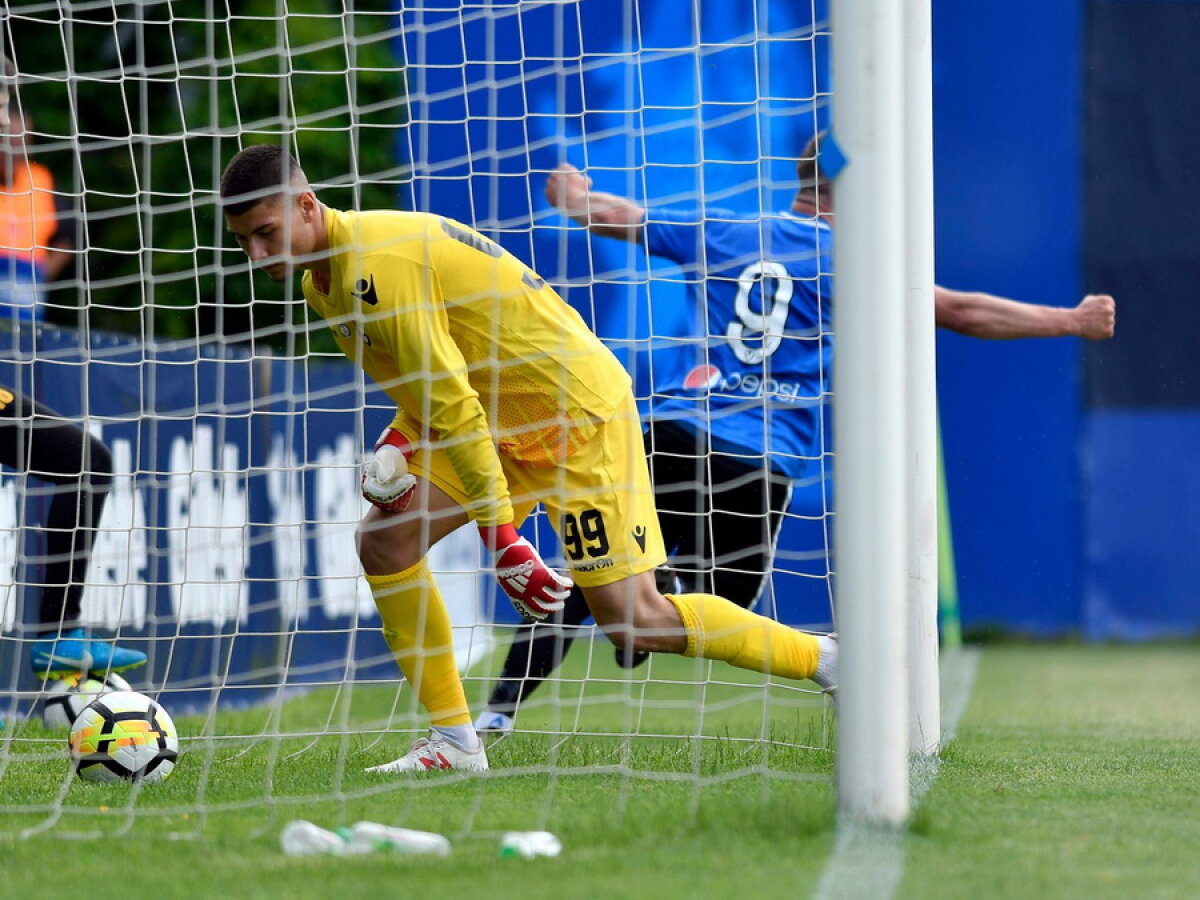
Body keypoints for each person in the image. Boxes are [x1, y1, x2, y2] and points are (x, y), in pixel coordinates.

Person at [219, 144, 839, 773]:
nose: (258, 255)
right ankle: (457, 744)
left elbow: (454, 406)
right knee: (384, 542)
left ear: (305, 205)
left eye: (266, 234)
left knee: (634, 621)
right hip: (504, 423)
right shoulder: (320, 285)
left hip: (576, 417)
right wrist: (396, 445)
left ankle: (826, 660)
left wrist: (505, 542)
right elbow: (430, 395)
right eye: (245, 241)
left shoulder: (380, 264)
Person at [473, 136, 1117, 734]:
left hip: (667, 433)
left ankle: (498, 714)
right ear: (856, 191)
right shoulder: (852, 260)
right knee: (727, 601)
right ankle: (649, 609)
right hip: (758, 450)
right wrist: (1070, 320)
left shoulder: (728, 230)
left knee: (592, 572)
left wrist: (574, 198)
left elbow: (624, 217)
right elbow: (962, 312)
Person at [0, 55, 146, 685]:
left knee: (84, 459)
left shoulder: (36, 181)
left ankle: (62, 634)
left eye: (9, 105)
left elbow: (70, 237)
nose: (8, 120)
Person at [0, 97, 76, 320]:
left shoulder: (42, 182)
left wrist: (41, 275)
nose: (14, 148)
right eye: (8, 139)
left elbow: (71, 237)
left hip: (25, 310)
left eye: (21, 140)